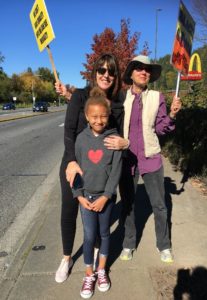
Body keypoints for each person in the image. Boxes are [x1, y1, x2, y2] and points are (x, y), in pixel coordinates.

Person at [54, 53, 127, 284]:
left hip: (100, 170)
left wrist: (125, 143)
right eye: (102, 70)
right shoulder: (79, 96)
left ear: (115, 76)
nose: (106, 75)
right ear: (95, 72)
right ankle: (67, 258)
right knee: (69, 209)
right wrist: (72, 161)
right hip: (74, 165)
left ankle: (97, 252)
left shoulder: (117, 104)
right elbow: (69, 132)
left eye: (111, 71)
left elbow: (118, 138)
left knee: (96, 213)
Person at [104, 55, 182, 263]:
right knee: (128, 204)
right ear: (131, 73)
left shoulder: (157, 98)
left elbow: (160, 128)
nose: (144, 72)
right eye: (139, 68)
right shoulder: (121, 98)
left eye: (147, 69)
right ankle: (128, 243)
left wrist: (172, 115)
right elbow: (105, 115)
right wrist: (68, 94)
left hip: (151, 157)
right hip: (127, 158)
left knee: (159, 205)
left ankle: (164, 245)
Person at [72, 88, 122, 298]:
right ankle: (88, 273)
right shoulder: (81, 140)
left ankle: (101, 269)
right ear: (86, 117)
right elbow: (77, 170)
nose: (99, 120)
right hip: (86, 199)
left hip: (106, 198)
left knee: (104, 234)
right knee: (89, 235)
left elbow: (116, 171)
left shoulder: (113, 139)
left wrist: (106, 196)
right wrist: (79, 195)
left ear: (108, 115)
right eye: (94, 116)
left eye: (103, 116)